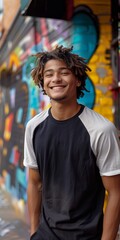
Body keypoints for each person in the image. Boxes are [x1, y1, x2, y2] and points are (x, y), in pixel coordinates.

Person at [23, 45, 120, 240]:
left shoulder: (101, 130)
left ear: (77, 79)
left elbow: (116, 192)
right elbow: (34, 183)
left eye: (64, 72)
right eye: (49, 74)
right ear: (42, 82)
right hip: (45, 235)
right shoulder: (33, 127)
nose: (56, 79)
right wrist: (34, 232)